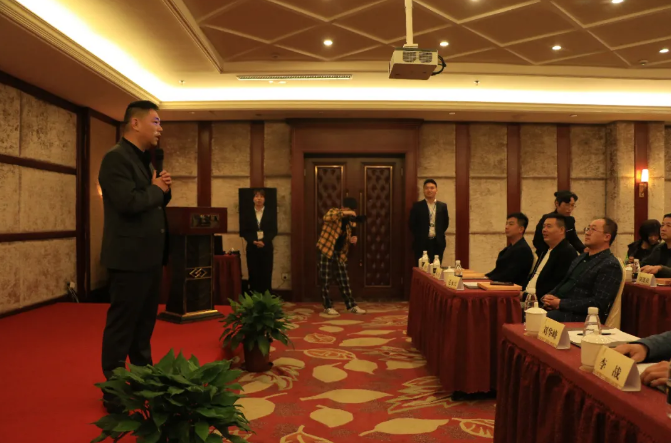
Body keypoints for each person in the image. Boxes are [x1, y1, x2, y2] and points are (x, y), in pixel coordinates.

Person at [98, 101, 171, 413]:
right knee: (122, 326)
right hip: (128, 258)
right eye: (155, 122)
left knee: (143, 326)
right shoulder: (115, 158)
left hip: (149, 257)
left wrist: (162, 188)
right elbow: (128, 203)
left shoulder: (142, 160)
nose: (160, 128)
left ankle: (144, 380)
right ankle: (114, 390)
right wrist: (156, 189)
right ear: (135, 123)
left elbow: (151, 201)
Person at [541, 218, 622, 324]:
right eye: (587, 229)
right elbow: (565, 283)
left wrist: (560, 303)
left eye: (593, 229)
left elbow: (598, 303)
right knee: (531, 312)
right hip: (560, 307)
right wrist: (549, 297)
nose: (587, 233)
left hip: (581, 316)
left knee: (540, 319)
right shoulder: (581, 258)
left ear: (606, 237)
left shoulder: (610, 264)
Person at [317, 197, 366, 315]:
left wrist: (353, 239)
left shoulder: (350, 223)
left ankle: (351, 306)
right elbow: (326, 217)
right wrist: (348, 213)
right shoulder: (334, 212)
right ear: (343, 208)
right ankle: (327, 306)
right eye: (349, 209)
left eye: (353, 210)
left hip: (339, 253)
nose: (352, 212)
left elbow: (347, 239)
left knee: (344, 280)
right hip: (326, 249)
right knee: (325, 279)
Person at [522, 214, 577, 299]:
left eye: (549, 226)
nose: (544, 230)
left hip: (541, 301)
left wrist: (525, 296)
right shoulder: (545, 250)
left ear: (561, 230)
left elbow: (556, 286)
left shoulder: (567, 252)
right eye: (543, 227)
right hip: (527, 296)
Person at [241, 189, 276, 294]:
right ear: (253, 199)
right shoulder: (247, 213)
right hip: (252, 247)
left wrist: (264, 241)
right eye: (256, 196)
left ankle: (266, 296)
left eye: (261, 196)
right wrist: (253, 241)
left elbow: (273, 231)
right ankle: (254, 295)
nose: (259, 199)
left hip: (266, 247)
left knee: (266, 272)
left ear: (264, 199)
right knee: (253, 272)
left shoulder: (270, 213)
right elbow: (244, 231)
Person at [485, 213, 534, 286]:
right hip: (500, 284)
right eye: (506, 224)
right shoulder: (510, 248)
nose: (506, 227)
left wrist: (488, 279)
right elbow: (498, 271)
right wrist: (484, 277)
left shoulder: (523, 250)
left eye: (511, 224)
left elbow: (509, 276)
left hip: (511, 288)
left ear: (521, 229)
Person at [409, 179, 449, 265]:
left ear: (436, 190)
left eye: (432, 188)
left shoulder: (442, 206)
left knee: (436, 268)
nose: (429, 190)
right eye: (427, 188)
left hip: (437, 242)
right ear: (423, 190)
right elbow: (412, 224)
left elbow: (445, 223)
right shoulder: (417, 206)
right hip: (421, 242)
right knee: (422, 268)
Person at [532, 190, 584, 256]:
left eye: (572, 205)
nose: (570, 209)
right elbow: (537, 241)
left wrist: (584, 250)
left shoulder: (570, 220)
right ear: (557, 204)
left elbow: (573, 239)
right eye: (567, 205)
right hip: (548, 254)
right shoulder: (547, 219)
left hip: (566, 254)